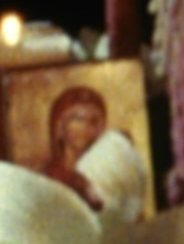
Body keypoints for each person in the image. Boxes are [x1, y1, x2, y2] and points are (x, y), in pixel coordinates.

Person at [42, 86, 147, 222]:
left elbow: (131, 216)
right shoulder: (47, 179)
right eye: (78, 119)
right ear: (59, 127)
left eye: (94, 120)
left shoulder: (110, 173)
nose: (87, 126)